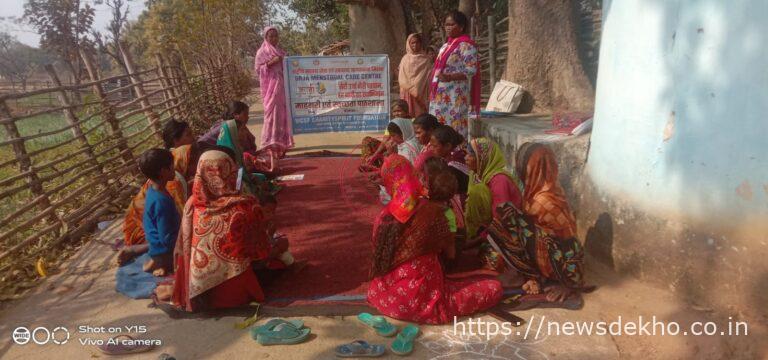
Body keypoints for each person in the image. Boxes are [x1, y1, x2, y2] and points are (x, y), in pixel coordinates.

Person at [367, 154, 502, 324]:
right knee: (494, 288)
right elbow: (450, 253)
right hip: (421, 301)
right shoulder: (433, 213)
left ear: (387, 182)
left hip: (384, 298)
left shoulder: (383, 216)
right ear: (413, 176)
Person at [170, 150, 277, 311]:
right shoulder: (246, 205)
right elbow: (259, 253)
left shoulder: (192, 204)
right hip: (236, 293)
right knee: (280, 253)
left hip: (200, 291)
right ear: (230, 171)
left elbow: (184, 248)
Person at [483, 143, 584, 302]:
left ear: (533, 168)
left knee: (502, 227)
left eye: (523, 164)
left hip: (557, 263)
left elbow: (571, 244)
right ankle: (529, 274)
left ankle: (533, 275)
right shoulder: (539, 191)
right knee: (502, 221)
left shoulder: (545, 201)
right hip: (544, 254)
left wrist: (570, 284)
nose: (519, 169)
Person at [120, 120, 195, 262]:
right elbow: (172, 229)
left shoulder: (162, 178)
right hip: (146, 234)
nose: (193, 138)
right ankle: (144, 255)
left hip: (157, 231)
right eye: (188, 135)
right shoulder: (171, 183)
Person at [428, 10, 481, 141]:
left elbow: (471, 69)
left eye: (452, 24)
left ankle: (457, 156)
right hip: (439, 95)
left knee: (455, 127)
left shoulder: (465, 45)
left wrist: (450, 77)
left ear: (461, 26)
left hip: (454, 96)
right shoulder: (446, 45)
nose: (448, 27)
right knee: (438, 127)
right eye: (446, 24)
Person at [464, 138, 523, 242]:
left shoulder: (499, 180)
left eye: (471, 155)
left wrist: (483, 237)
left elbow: (502, 216)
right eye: (466, 154)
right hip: (489, 225)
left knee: (478, 190)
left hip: (509, 229)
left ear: (483, 158)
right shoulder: (476, 174)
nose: (466, 158)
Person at [136, 149, 181, 276]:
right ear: (163, 171)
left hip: (155, 245)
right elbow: (166, 237)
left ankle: (158, 262)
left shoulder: (153, 190)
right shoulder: (161, 201)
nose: (175, 169)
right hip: (163, 251)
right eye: (172, 166)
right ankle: (161, 263)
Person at [255, 26, 294, 157]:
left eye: (275, 36)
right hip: (270, 89)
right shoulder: (262, 52)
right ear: (266, 37)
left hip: (282, 88)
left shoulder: (281, 52)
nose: (273, 38)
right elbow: (258, 69)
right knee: (271, 116)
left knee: (282, 116)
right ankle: (269, 144)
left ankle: (281, 144)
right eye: (270, 36)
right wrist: (271, 62)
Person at [360, 100, 410, 171]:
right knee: (367, 140)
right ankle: (370, 163)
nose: (396, 114)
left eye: (399, 111)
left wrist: (392, 148)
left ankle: (383, 168)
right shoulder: (392, 123)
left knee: (392, 145)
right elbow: (385, 140)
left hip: (404, 150)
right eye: (394, 111)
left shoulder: (412, 122)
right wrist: (375, 155)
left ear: (406, 112)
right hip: (390, 148)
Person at [398, 33, 432, 118]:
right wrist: (411, 88)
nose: (415, 45)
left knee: (420, 117)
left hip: (421, 92)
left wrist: (417, 88)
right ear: (408, 44)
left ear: (421, 43)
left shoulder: (426, 59)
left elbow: (428, 76)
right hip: (407, 91)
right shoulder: (405, 59)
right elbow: (401, 76)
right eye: (412, 43)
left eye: (417, 42)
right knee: (407, 114)